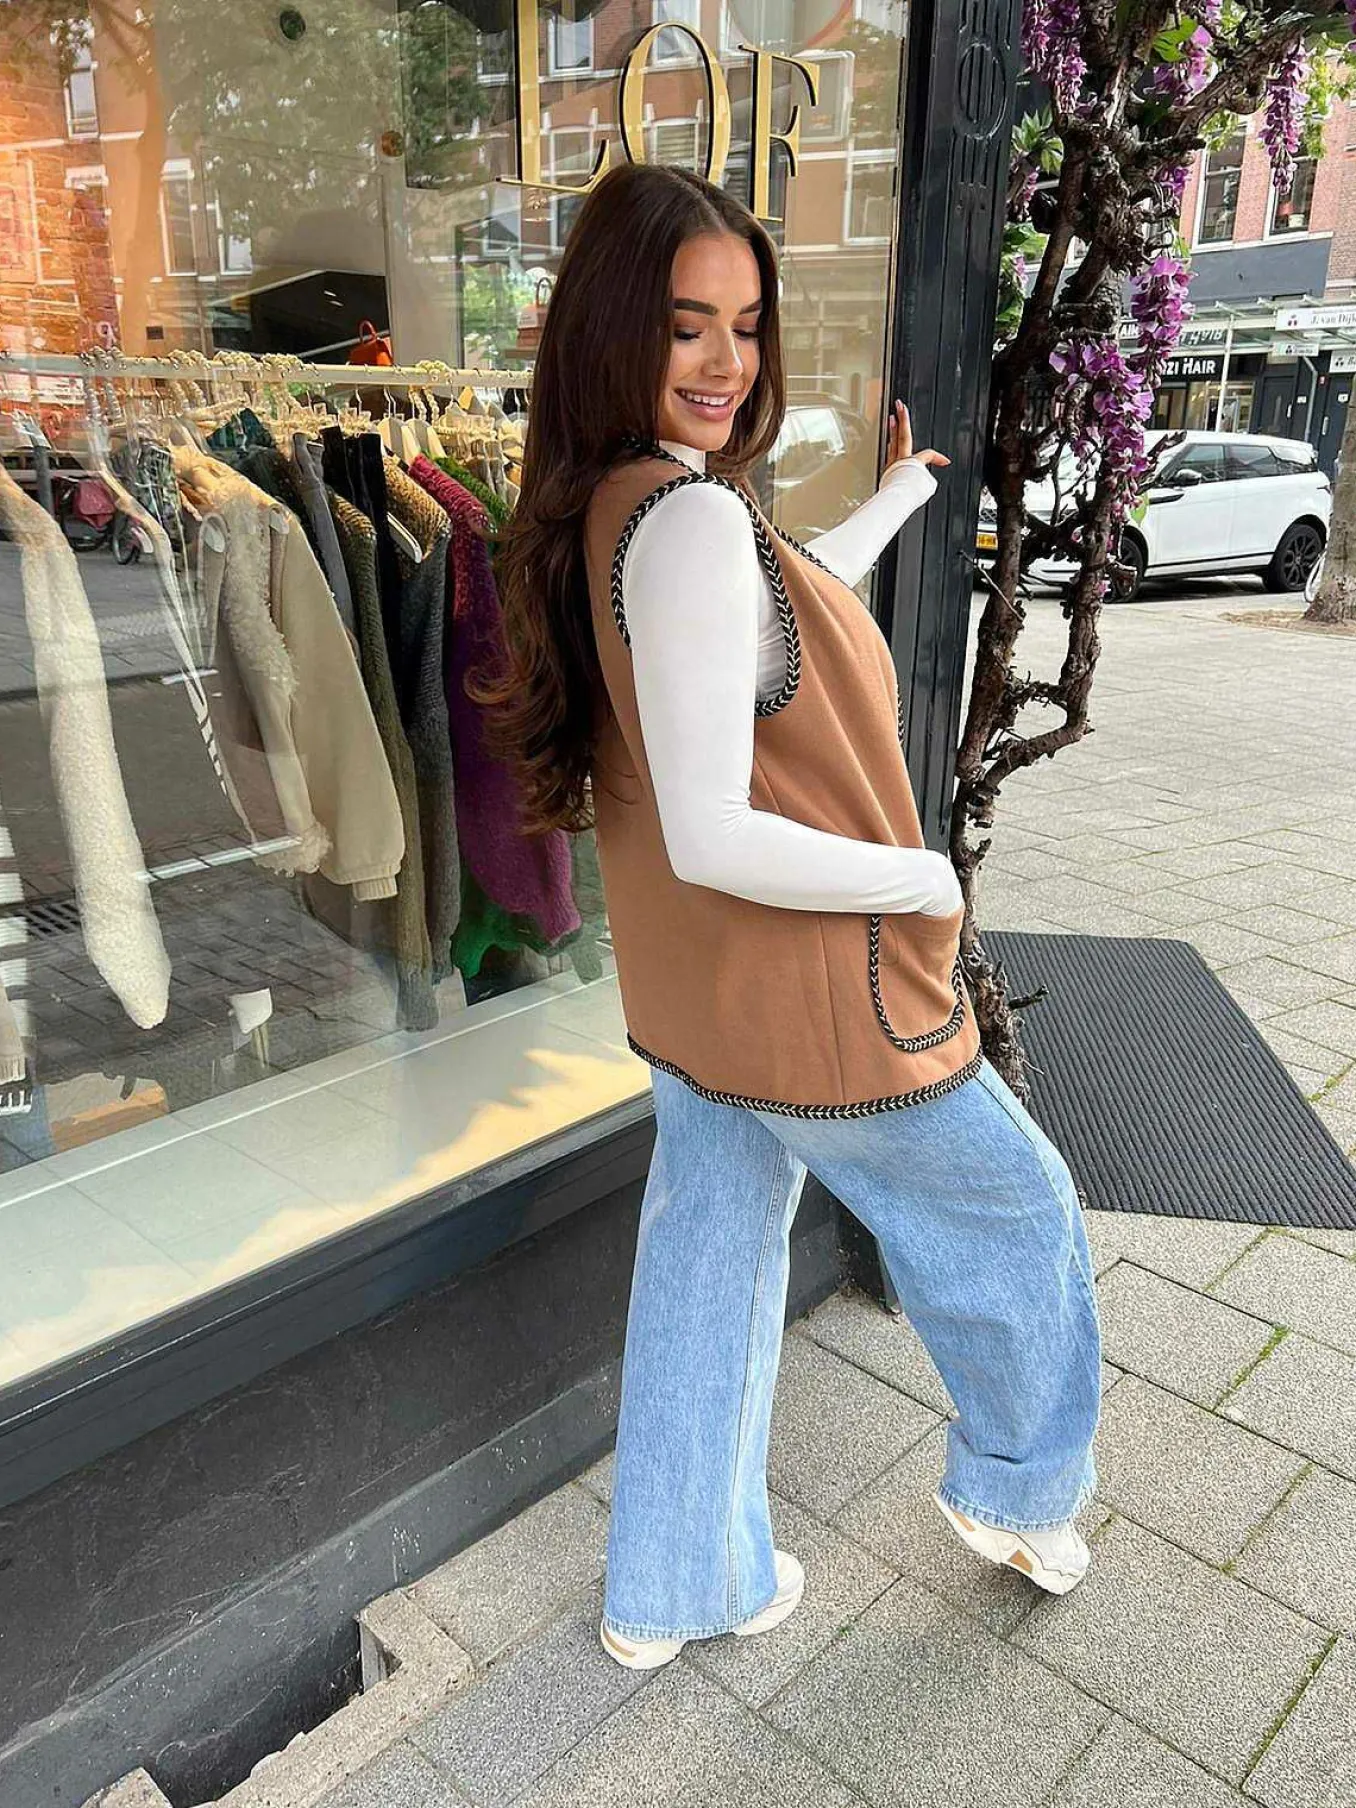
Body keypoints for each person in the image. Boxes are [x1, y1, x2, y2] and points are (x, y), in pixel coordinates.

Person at [484, 162, 1103, 1672]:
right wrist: (921, 879)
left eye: (748, 326)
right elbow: (714, 829)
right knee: (1020, 1217)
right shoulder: (692, 521)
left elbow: (763, 612)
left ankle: (675, 1584)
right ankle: (1018, 1495)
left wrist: (897, 497)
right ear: (614, 329)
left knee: (709, 1266)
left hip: (699, 1005)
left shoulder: (614, 508)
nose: (725, 362)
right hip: (819, 995)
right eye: (685, 324)